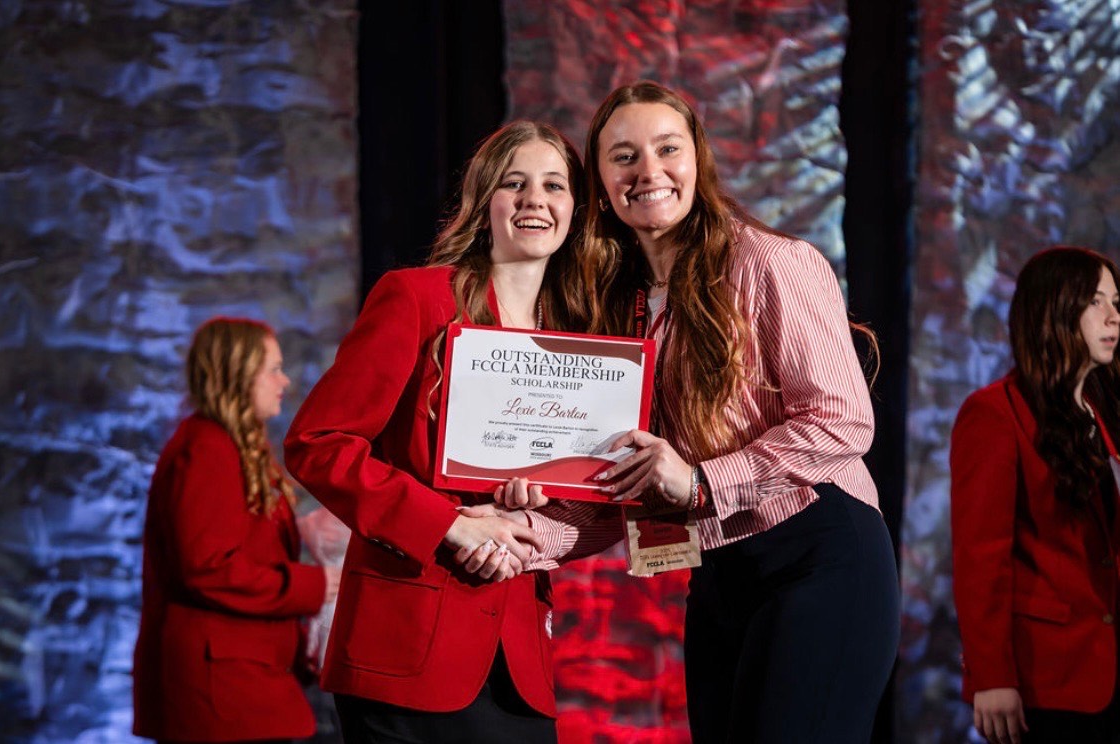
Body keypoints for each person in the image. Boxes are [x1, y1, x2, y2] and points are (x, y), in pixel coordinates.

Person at [492, 80, 900, 743]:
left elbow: (843, 420)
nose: (648, 171)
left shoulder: (772, 262)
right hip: (718, 577)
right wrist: (518, 536)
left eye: (666, 149)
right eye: (623, 156)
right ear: (598, 181)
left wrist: (706, 483)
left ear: (697, 160)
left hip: (821, 555)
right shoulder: (611, 309)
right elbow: (614, 488)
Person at [283, 120, 603, 743]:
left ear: (574, 211)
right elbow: (317, 444)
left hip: (518, 663)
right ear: (485, 205)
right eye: (515, 183)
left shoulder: (582, 347)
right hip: (404, 644)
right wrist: (450, 524)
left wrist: (536, 516)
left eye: (554, 185)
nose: (536, 198)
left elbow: (575, 493)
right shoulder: (416, 298)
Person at [133, 317, 342, 743]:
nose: (284, 380)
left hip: (242, 678)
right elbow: (208, 568)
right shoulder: (207, 448)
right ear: (237, 373)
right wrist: (316, 585)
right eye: (272, 369)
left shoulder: (229, 444)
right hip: (222, 692)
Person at [951, 246, 1120, 744]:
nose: (1114, 316)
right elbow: (981, 559)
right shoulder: (994, 414)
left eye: (1117, 301)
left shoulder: (1103, 409)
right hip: (1050, 680)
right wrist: (992, 676)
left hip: (1109, 668)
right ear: (1055, 308)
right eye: (1096, 302)